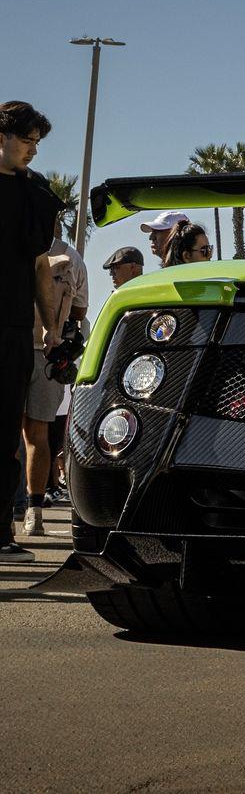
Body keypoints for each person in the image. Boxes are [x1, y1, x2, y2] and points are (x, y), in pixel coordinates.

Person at [0, 102, 62, 563]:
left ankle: (1, 532)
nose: (33, 150)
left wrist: (52, 327)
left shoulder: (35, 193)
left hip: (14, 328)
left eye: (37, 142)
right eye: (26, 140)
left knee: (7, 436)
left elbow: (41, 266)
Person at [22, 216, 89, 536]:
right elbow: (80, 311)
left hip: (16, 347)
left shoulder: (14, 246)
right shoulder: (72, 258)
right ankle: (33, 511)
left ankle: (14, 506)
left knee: (16, 435)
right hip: (49, 352)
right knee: (38, 434)